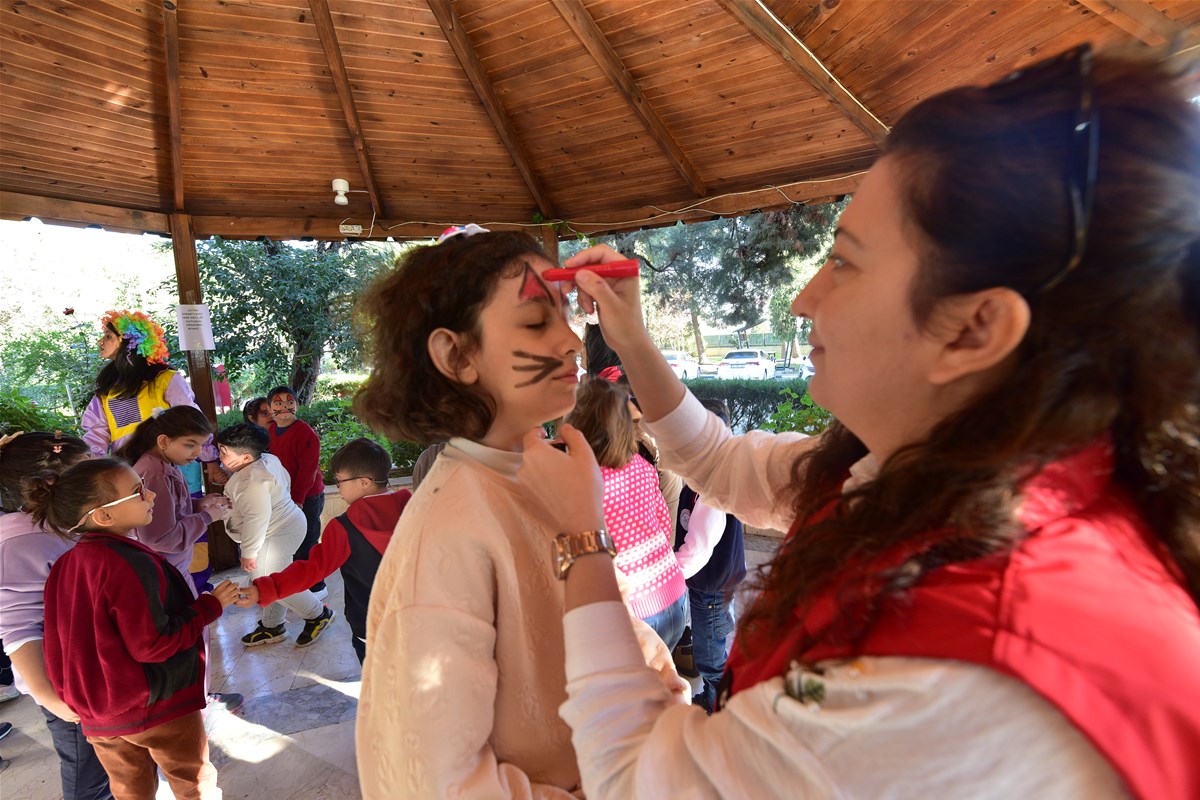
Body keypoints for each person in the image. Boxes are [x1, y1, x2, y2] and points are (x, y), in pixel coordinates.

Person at [516, 45, 1200, 798]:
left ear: (974, 329)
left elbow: (636, 780)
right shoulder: (936, 477)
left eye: (844, 261)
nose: (804, 299)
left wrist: (583, 540)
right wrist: (633, 340)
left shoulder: (947, 667)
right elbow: (719, 463)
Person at [352, 227, 682, 800]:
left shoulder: (542, 474)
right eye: (535, 322)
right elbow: (437, 784)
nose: (573, 343)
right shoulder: (446, 532)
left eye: (567, 317)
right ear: (457, 355)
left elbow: (617, 627)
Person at [29, 458, 240, 800]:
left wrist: (73, 697)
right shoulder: (129, 563)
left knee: (129, 791)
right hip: (157, 707)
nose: (151, 494)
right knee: (193, 784)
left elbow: (60, 643)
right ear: (104, 516)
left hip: (101, 715)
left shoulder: (66, 564)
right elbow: (153, 644)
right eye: (138, 491)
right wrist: (209, 606)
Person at [0, 431, 113, 800]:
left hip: (98, 669)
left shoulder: (63, 523)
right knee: (87, 773)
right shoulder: (18, 541)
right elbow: (19, 629)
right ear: (50, 482)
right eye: (85, 469)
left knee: (113, 760)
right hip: (67, 686)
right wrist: (50, 697)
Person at [235, 438, 411, 664]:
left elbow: (311, 570)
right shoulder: (416, 509)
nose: (338, 488)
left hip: (372, 626)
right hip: (421, 619)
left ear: (364, 482)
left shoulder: (345, 527)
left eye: (339, 482)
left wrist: (264, 589)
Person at [565, 377, 688, 651]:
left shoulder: (582, 481)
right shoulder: (643, 467)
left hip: (636, 613)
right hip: (674, 595)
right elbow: (664, 525)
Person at [215, 423, 335, 647]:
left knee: (268, 580)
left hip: (278, 532)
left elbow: (257, 519)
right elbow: (284, 482)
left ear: (245, 457)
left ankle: (318, 614)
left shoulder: (252, 482)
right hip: (284, 525)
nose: (219, 457)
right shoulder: (267, 459)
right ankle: (273, 626)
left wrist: (248, 553)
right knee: (269, 579)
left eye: (224, 452)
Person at [81, 310, 222, 484]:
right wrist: (90, 466)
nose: (100, 341)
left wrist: (209, 460)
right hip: (129, 470)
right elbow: (96, 431)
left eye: (108, 336)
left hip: (173, 468)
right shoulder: (108, 388)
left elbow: (192, 420)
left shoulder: (165, 378)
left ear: (130, 342)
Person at [672, 398, 747, 712]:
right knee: (711, 643)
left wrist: (668, 575)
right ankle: (714, 696)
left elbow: (698, 550)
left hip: (711, 587)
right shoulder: (707, 476)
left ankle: (721, 706)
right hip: (713, 583)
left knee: (710, 656)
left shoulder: (712, 488)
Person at [119, 406, 231, 596]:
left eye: (201, 445)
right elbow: (159, 538)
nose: (197, 452)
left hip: (171, 569)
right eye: (190, 445)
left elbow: (171, 509)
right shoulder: (154, 474)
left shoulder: (163, 463)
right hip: (164, 575)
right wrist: (206, 517)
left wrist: (199, 504)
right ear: (163, 441)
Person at [263, 386, 326, 597]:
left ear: (297, 405)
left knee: (308, 541)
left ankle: (317, 587)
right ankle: (299, 586)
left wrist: (298, 498)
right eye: (278, 403)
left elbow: (308, 471)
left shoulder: (306, 434)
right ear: (270, 408)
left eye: (290, 402)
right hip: (286, 496)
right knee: (293, 541)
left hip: (308, 497)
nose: (285, 407)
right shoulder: (271, 431)